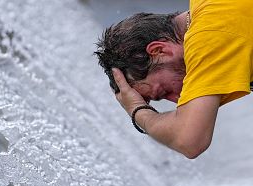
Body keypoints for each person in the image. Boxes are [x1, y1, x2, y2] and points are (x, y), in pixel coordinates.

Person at [94, 0, 253, 159]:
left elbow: (190, 140)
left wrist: (138, 111)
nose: (178, 100)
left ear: (159, 50)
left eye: (165, 91)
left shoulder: (208, 37)